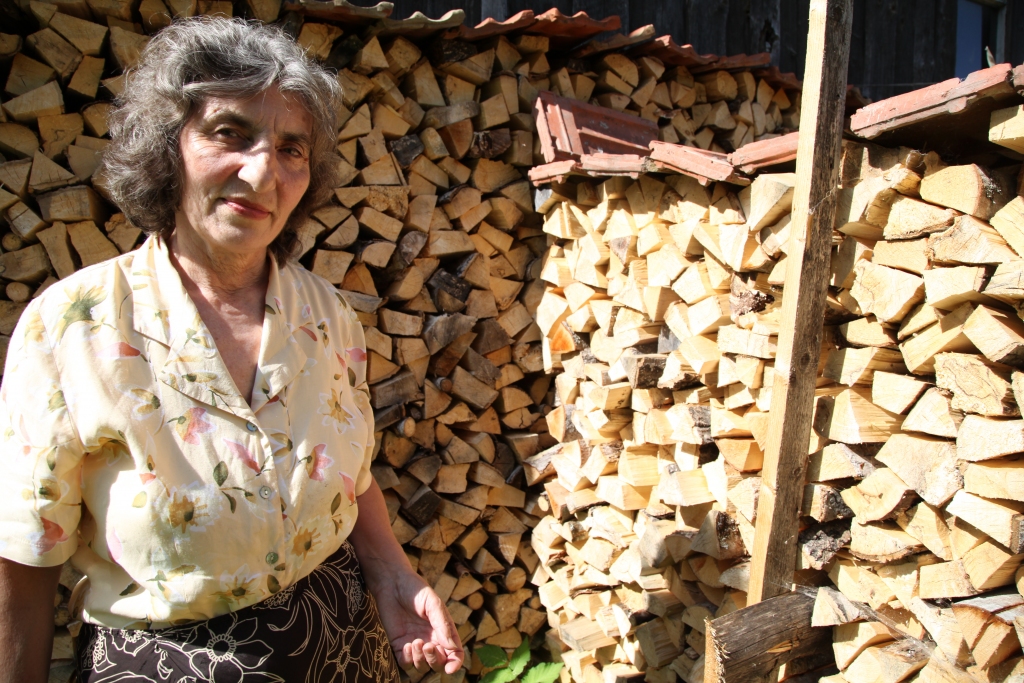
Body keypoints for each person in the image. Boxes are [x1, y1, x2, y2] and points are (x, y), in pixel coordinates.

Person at [0, 17, 463, 683]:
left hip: (343, 650)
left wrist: (393, 574)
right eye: (230, 133)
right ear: (167, 147)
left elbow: (351, 474)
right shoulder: (74, 325)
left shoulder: (327, 315)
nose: (262, 170)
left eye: (291, 148)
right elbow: (24, 546)